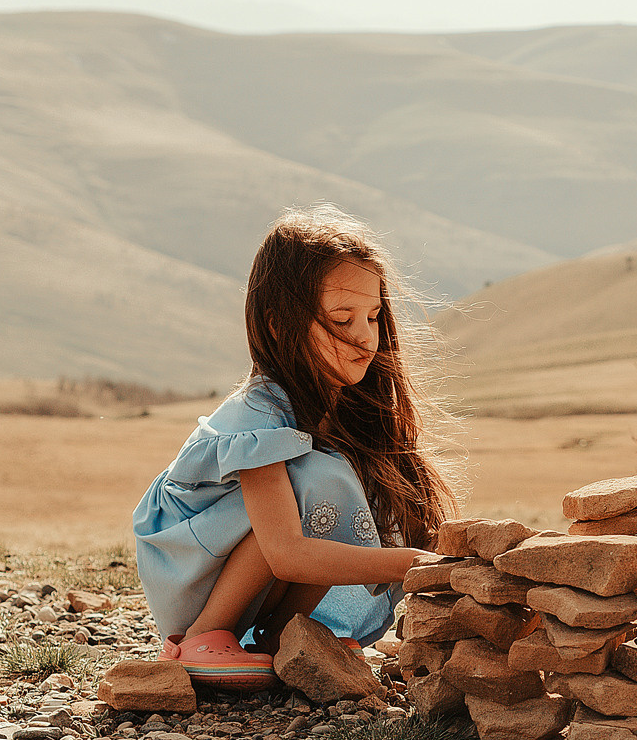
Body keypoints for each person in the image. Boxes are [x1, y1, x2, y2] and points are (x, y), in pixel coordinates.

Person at [133, 205, 456, 690]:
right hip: (190, 572)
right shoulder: (260, 413)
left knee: (337, 479)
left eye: (373, 316)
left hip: (252, 570)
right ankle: (203, 636)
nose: (366, 338)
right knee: (322, 478)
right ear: (280, 325)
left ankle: (280, 636)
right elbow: (285, 553)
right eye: (342, 319)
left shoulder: (343, 409)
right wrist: (416, 564)